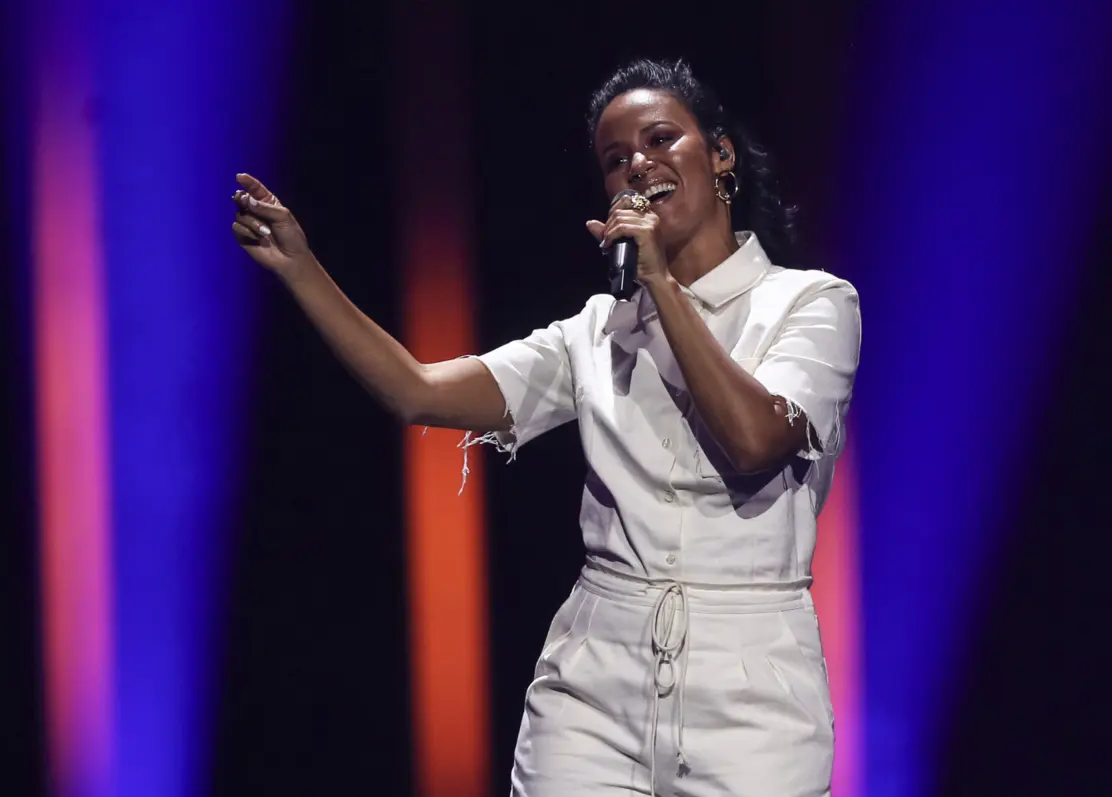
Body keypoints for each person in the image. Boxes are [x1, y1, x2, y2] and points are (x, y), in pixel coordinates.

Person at [232, 58, 860, 797]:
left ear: (719, 154)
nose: (639, 167)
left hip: (753, 687)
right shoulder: (596, 332)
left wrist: (658, 281)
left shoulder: (810, 305)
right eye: (616, 160)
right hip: (596, 680)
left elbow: (755, 441)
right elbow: (416, 390)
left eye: (662, 140)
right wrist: (301, 267)